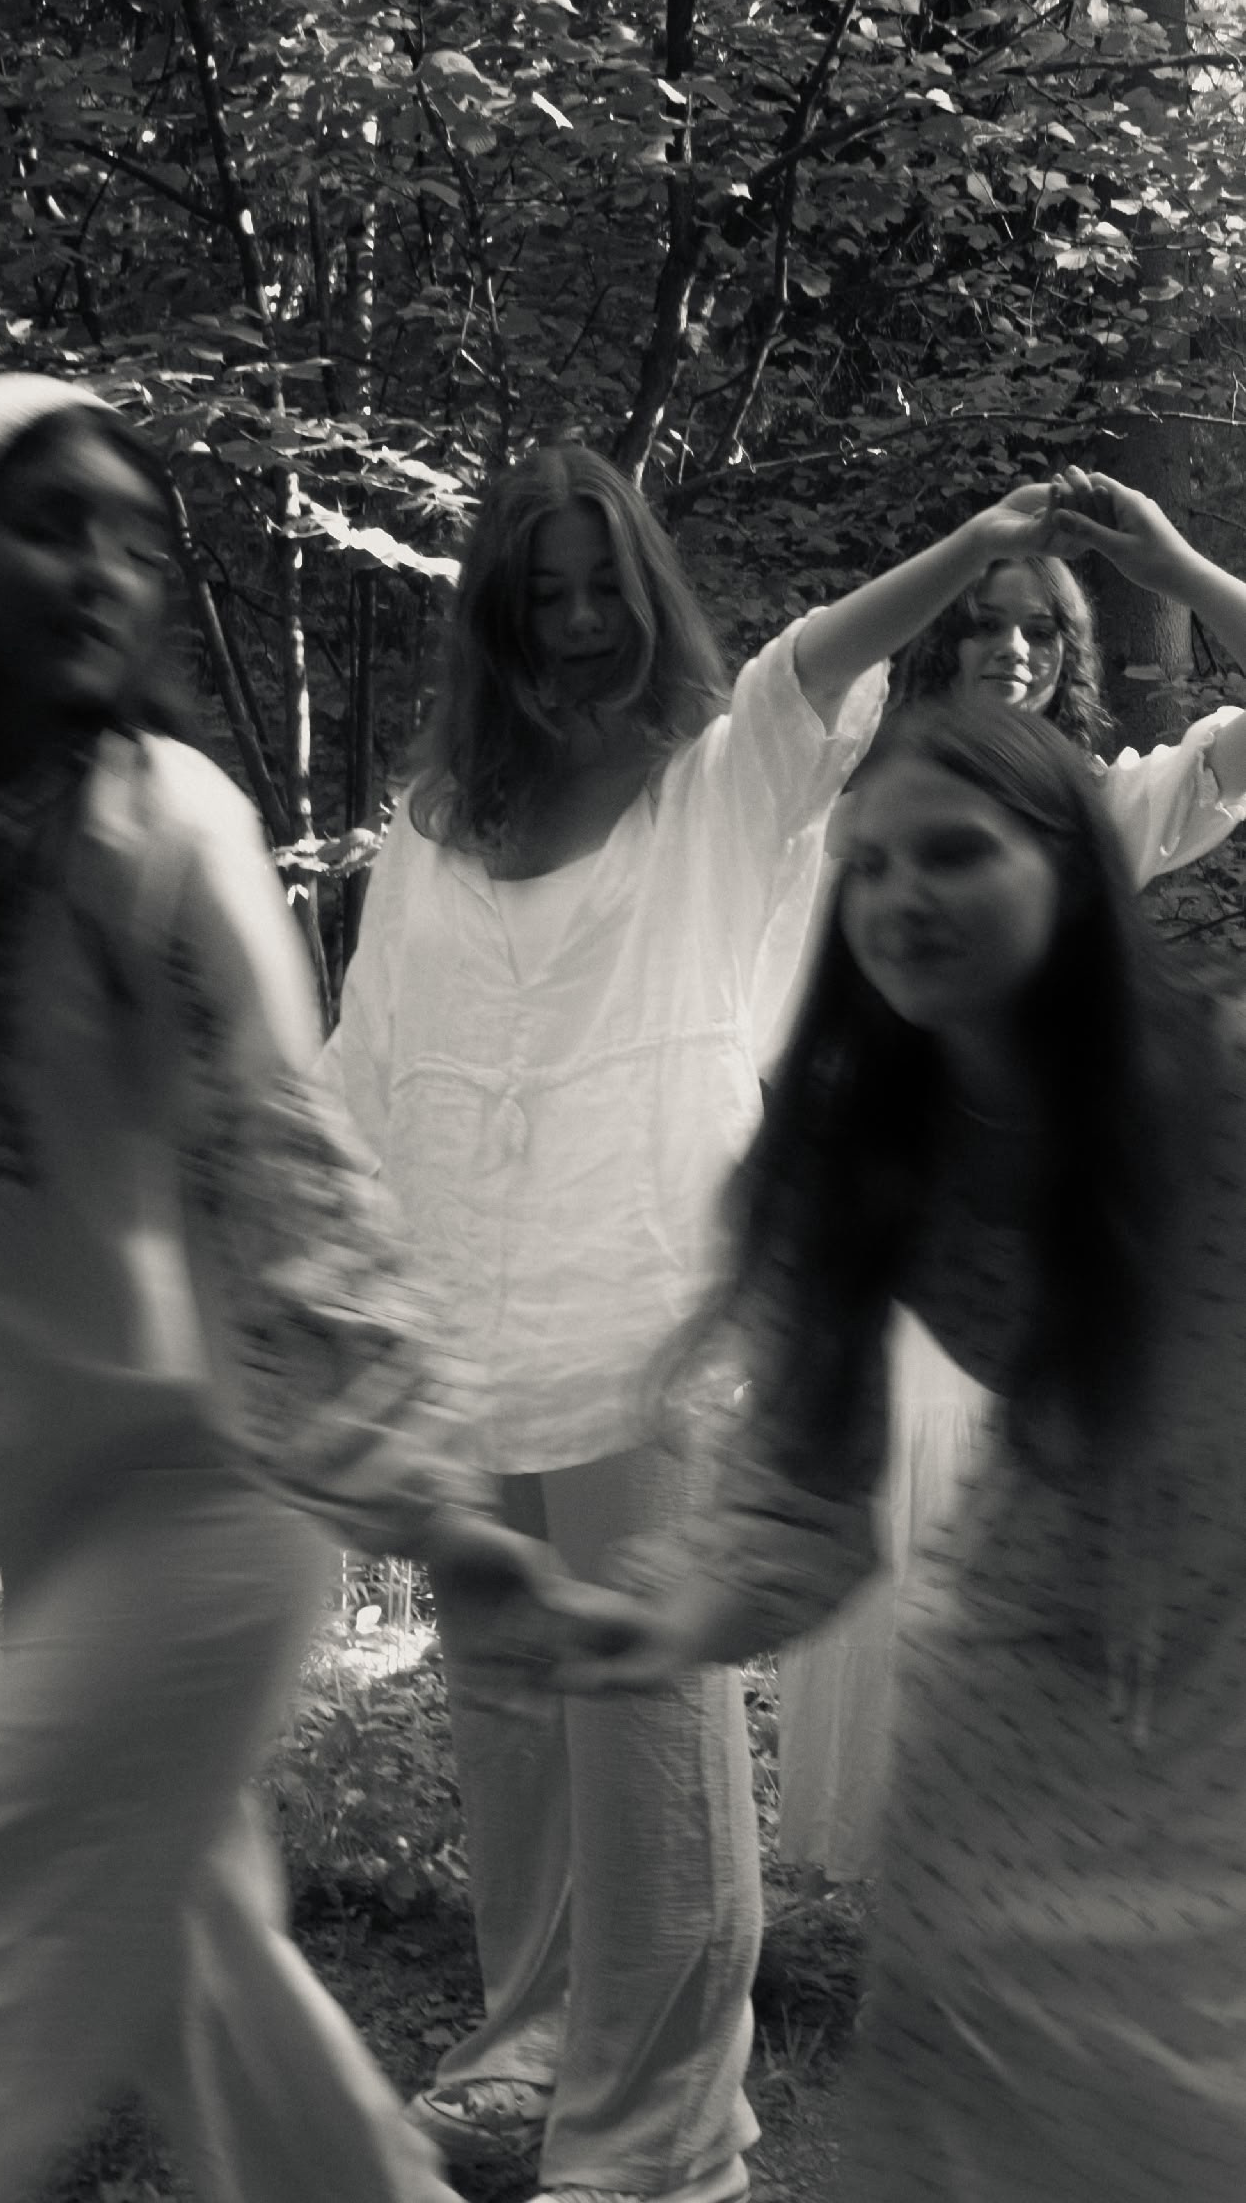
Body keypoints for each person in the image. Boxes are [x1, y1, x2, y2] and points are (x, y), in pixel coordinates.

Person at [0, 372, 622, 2203]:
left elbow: (276, 1171)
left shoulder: (160, 824)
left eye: (131, 540)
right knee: (199, 1967)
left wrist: (431, 1509)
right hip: (50, 1528)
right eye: (49, 528)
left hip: (215, 1504)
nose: (104, 570)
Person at [321, 440, 1075, 2203]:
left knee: (649, 1719)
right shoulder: (432, 825)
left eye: (605, 587)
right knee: (509, 1702)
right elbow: (365, 1054)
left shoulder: (712, 785)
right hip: (466, 1326)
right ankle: (524, 2057)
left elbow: (806, 667)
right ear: (499, 616)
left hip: (650, 1324)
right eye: (547, 594)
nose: (582, 621)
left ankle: (657, 2137)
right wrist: (340, 1289)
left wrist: (969, 537)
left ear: (643, 594)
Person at [568, 703, 1246, 2202]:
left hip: (1226, 1691)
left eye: (953, 854)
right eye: (867, 865)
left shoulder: (1221, 1078)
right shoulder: (853, 1148)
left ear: (1073, 869)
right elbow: (794, 1499)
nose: (898, 898)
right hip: (1009, 1695)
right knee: (975, 2113)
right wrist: (654, 1620)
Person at [774, 467, 1246, 1881]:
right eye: (985, 622)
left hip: (1057, 1244)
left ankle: (1027, 1860)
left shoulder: (1104, 813)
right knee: (891, 1542)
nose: (1015, 649)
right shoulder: (846, 812)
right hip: (893, 1227)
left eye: (1043, 627)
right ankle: (895, 1866)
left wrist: (1175, 569)